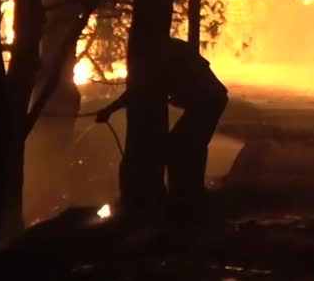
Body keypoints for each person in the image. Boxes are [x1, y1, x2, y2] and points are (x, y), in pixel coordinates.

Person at [96, 37, 229, 205]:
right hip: (209, 99)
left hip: (208, 101)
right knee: (186, 146)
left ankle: (187, 196)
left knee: (182, 146)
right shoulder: (169, 49)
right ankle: (188, 192)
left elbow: (137, 90)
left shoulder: (159, 56)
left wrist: (109, 110)